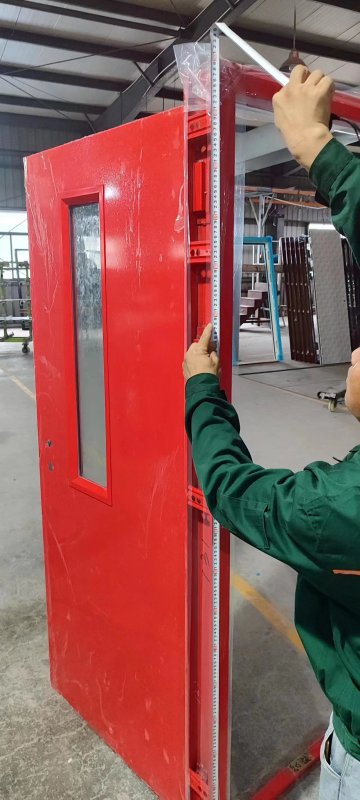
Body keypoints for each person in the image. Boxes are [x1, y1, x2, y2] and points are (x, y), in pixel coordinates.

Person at [183, 65, 360, 800]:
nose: (354, 351)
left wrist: (200, 388)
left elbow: (232, 490)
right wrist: (325, 153)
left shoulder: (337, 509)